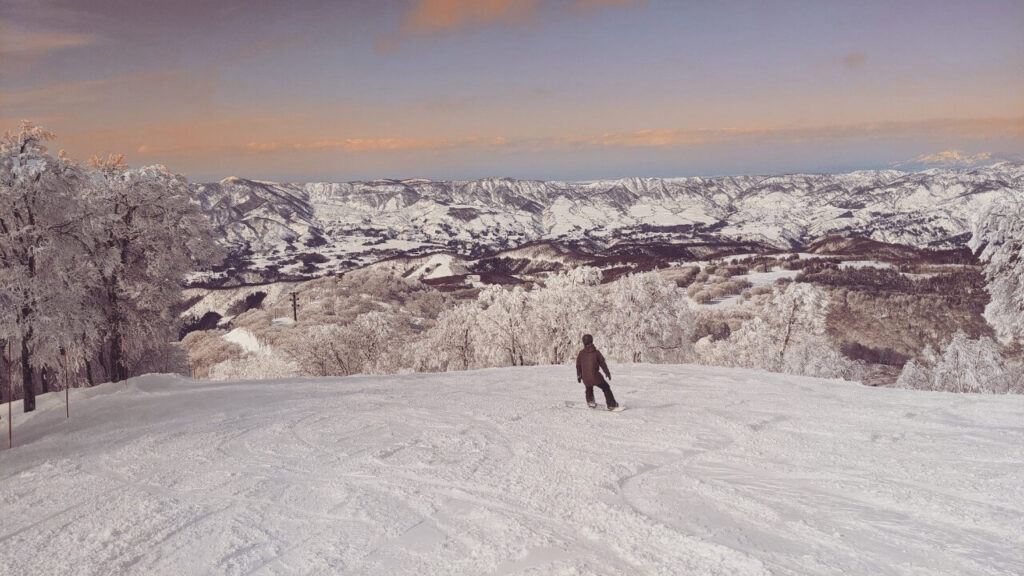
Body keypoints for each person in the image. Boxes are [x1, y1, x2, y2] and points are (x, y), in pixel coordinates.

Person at [576, 334, 618, 410]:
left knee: (588, 387)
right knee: (606, 387)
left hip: (585, 378)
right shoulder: (596, 353)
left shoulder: (581, 353)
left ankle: (590, 401)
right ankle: (611, 404)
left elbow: (578, 365)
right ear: (591, 341)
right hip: (595, 377)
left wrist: (579, 375)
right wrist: (607, 373)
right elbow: (602, 363)